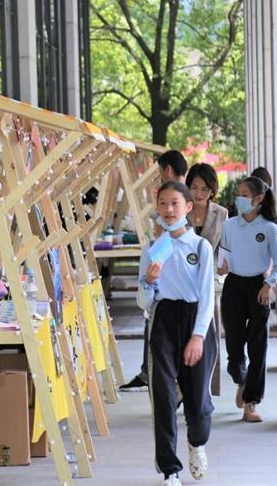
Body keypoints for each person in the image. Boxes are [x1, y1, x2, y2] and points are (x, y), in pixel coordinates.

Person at [138, 181, 216, 485]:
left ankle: (197, 443)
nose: (168, 210)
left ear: (187, 207)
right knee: (164, 397)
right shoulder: (153, 249)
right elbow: (144, 303)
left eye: (174, 204)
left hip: (196, 320)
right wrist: (148, 281)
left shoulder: (200, 248)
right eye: (162, 204)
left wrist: (197, 336)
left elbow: (208, 297)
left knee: (198, 402)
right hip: (163, 321)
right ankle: (170, 470)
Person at [218, 176, 277, 422]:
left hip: (259, 286)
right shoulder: (230, 225)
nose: (240, 198)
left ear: (258, 198)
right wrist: (221, 268)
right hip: (233, 285)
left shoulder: (269, 228)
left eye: (245, 194)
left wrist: (268, 285)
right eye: (239, 193)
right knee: (234, 346)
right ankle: (241, 380)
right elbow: (223, 257)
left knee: (258, 346)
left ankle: (251, 402)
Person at [119, 150, 187, 392]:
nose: (168, 210)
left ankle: (167, 382)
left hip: (168, 281)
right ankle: (159, 378)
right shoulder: (178, 195)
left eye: (160, 172)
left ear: (167, 170)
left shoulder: (174, 195)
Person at [185, 163, 228, 396]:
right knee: (185, 334)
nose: (199, 193)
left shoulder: (221, 213)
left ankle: (208, 388)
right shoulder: (181, 211)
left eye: (204, 189)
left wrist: (224, 266)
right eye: (194, 187)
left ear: (212, 190)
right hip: (183, 281)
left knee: (210, 335)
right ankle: (183, 386)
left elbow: (225, 248)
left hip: (210, 282)